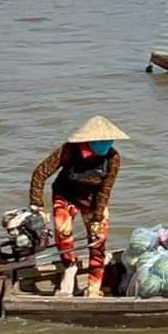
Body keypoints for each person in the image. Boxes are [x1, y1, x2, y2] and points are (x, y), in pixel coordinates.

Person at [29, 116, 127, 297]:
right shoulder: (69, 150)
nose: (106, 144)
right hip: (66, 195)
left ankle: (94, 287)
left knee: (98, 240)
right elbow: (40, 174)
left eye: (109, 140)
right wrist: (37, 206)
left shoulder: (113, 158)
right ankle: (69, 267)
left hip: (93, 200)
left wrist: (97, 218)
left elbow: (105, 190)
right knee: (62, 230)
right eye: (102, 141)